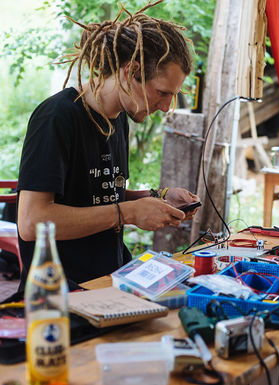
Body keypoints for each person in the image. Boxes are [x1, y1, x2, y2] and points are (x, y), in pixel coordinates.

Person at [17, 1, 200, 287]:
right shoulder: (57, 117)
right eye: (162, 93)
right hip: (61, 295)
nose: (166, 107)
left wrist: (157, 197)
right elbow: (31, 221)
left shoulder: (119, 119)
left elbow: (97, 195)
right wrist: (127, 214)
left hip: (111, 281)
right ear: (131, 71)